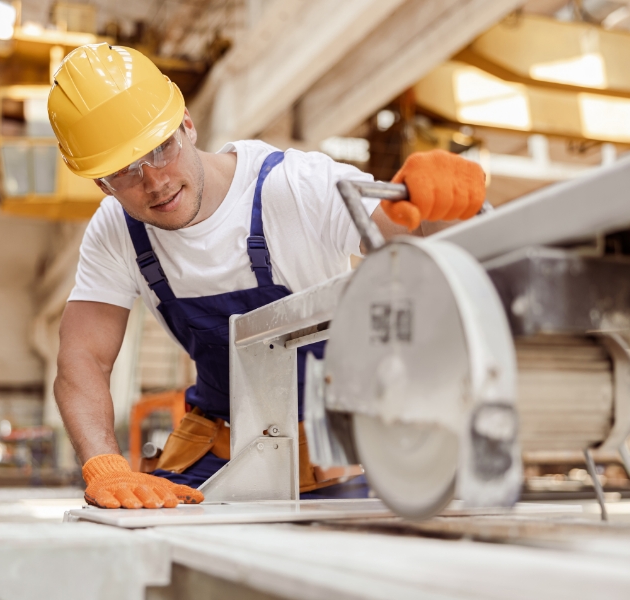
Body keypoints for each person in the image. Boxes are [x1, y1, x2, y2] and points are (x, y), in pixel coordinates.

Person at [48, 44, 486, 509]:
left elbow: (418, 235)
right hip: (221, 446)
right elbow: (83, 358)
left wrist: (444, 203)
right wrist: (104, 464)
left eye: (161, 147)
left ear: (188, 125)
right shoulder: (117, 230)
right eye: (124, 171)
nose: (154, 180)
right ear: (102, 184)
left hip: (338, 447)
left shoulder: (295, 186)